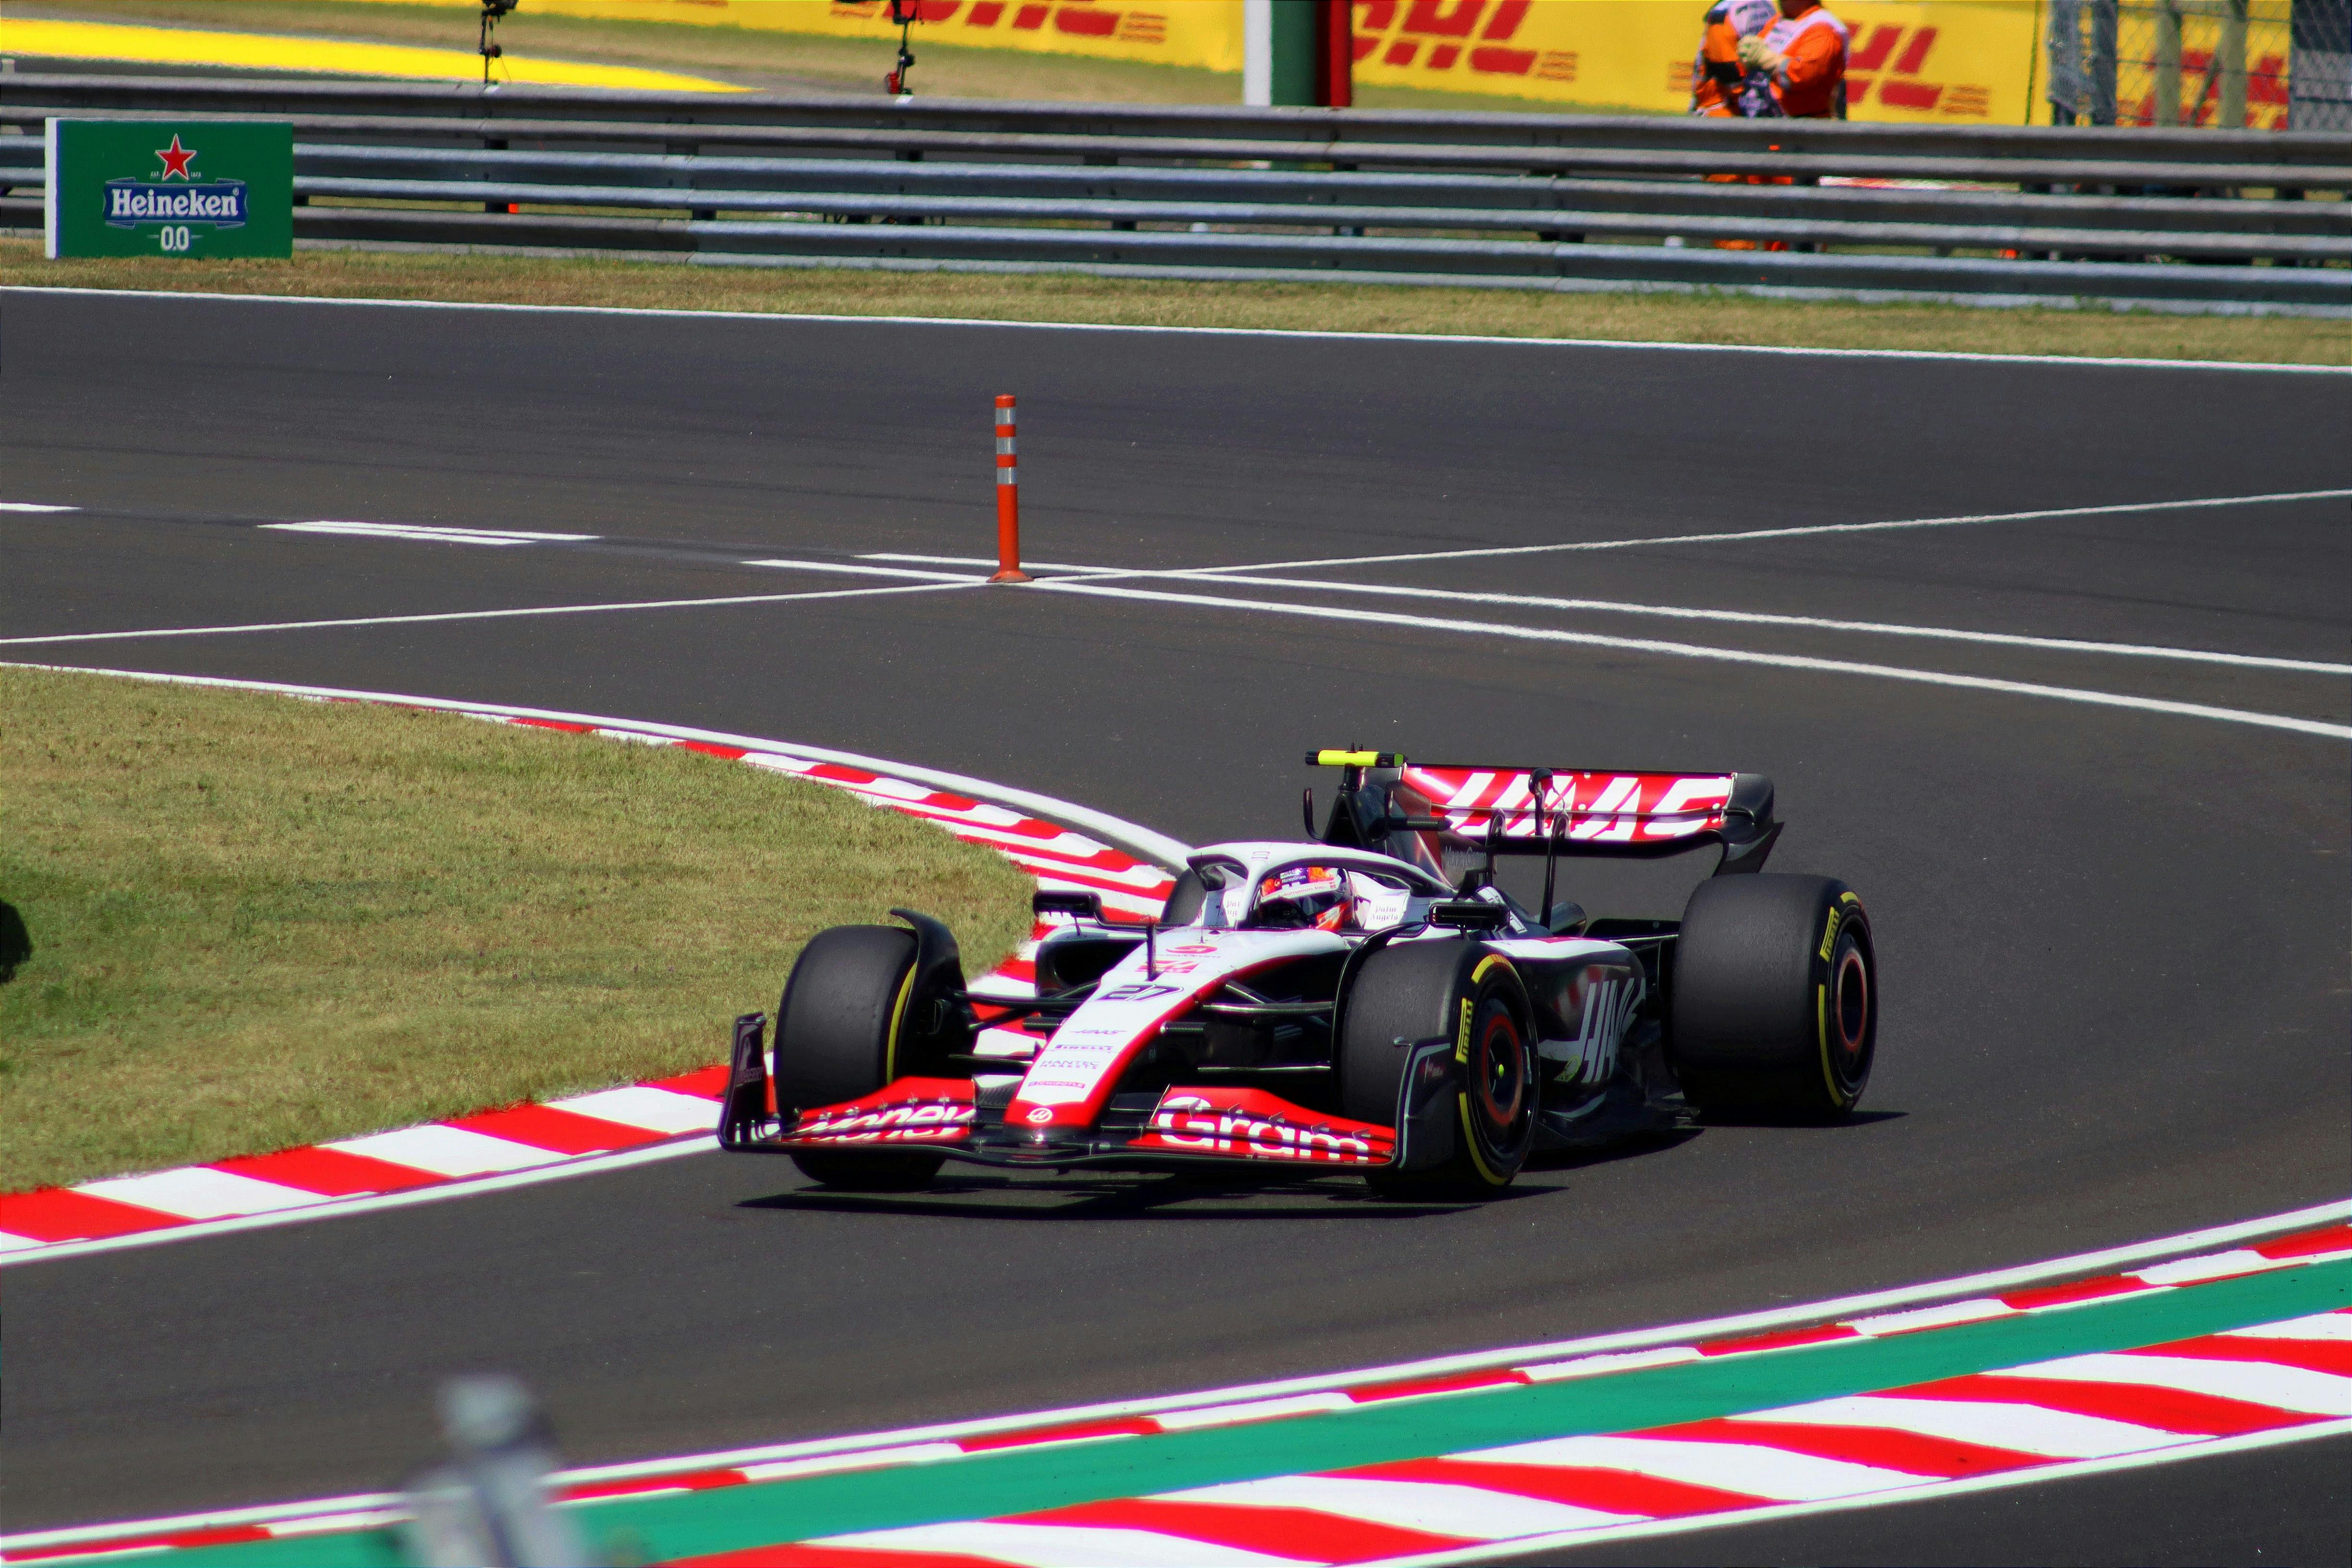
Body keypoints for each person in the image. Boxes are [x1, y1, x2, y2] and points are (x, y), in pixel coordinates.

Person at [1738, 0, 1851, 119]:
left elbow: (1802, 74)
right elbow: (1746, 66)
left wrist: (1767, 59)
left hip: (1804, 128)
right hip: (1763, 121)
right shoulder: (1778, 21)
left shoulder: (1824, 29)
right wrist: (1746, 54)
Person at [1690, 0, 1782, 119]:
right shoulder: (1723, 14)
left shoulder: (1769, 5)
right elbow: (1728, 73)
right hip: (1720, 109)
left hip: (1757, 105)